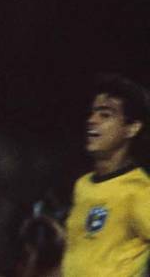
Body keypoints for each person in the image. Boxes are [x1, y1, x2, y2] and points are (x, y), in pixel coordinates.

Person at [61, 74, 150, 277]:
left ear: (131, 128)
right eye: (93, 113)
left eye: (105, 115)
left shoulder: (140, 191)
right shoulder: (82, 185)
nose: (92, 120)